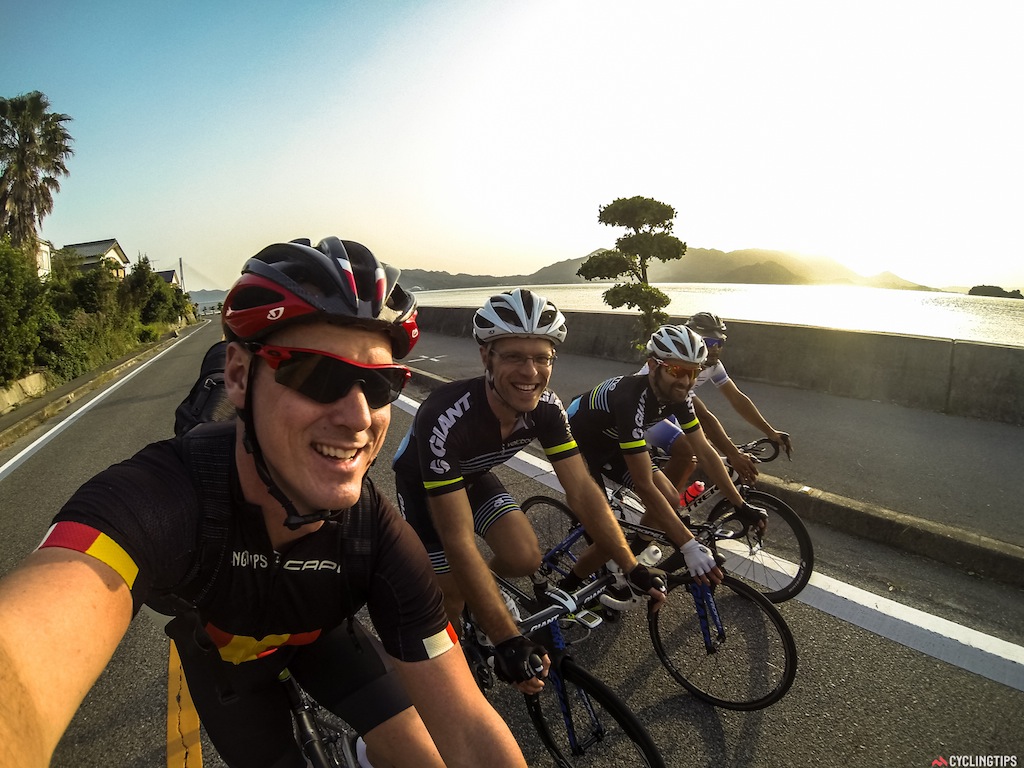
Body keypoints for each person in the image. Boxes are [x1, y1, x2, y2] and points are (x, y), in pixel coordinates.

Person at [0, 237, 526, 768]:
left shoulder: (376, 532)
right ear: (237, 375)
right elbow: (19, 662)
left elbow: (469, 722)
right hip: (227, 665)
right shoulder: (162, 497)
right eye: (319, 375)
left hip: (324, 640)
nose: (359, 416)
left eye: (380, 384)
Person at [392, 289, 666, 694]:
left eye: (542, 358)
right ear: (487, 356)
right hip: (423, 488)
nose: (530, 372)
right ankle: (458, 650)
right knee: (449, 592)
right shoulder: (445, 415)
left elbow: (584, 492)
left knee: (525, 556)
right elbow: (457, 538)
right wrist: (508, 637)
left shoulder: (547, 408)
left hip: (474, 476)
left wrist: (630, 565)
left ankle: (480, 598)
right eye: (514, 357)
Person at [566, 324, 766, 576]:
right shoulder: (630, 398)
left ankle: (635, 550)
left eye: (694, 372)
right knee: (609, 539)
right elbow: (644, 484)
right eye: (676, 370)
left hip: (613, 441)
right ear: (652, 366)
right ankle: (567, 591)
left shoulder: (680, 395)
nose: (685, 381)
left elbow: (704, 450)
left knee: (670, 499)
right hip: (577, 442)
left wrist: (740, 505)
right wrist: (688, 545)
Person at [642, 312, 793, 492]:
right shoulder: (680, 367)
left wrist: (771, 432)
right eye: (709, 342)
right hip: (643, 412)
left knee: (698, 454)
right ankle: (657, 508)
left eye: (719, 343)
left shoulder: (712, 365)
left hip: (669, 411)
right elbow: (703, 417)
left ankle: (668, 500)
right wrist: (733, 453)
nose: (715, 349)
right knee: (688, 449)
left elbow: (736, 398)